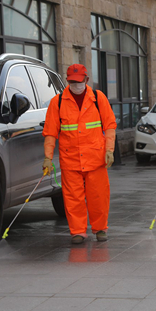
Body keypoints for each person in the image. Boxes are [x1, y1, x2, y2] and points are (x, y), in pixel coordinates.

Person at [42, 64, 117, 244]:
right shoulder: (58, 102)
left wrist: (109, 150)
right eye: (72, 82)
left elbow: (110, 125)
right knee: (73, 198)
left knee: (98, 196)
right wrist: (47, 157)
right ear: (67, 81)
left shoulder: (98, 98)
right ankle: (77, 232)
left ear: (86, 80)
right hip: (71, 159)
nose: (76, 85)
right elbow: (50, 132)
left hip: (95, 158)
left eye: (79, 81)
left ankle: (100, 229)